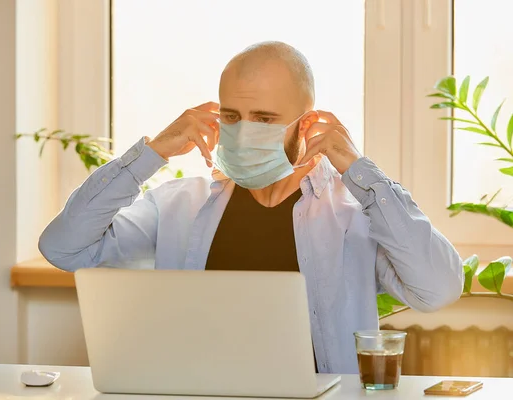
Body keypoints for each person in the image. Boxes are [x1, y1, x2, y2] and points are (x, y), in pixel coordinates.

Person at [39, 41, 463, 374]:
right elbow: (64, 248)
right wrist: (152, 154)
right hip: (200, 393)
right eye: (231, 116)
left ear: (308, 123)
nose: (243, 133)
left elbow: (437, 288)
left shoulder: (354, 214)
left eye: (263, 118)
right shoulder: (180, 205)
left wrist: (359, 170)